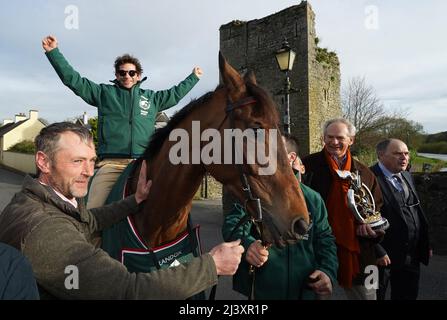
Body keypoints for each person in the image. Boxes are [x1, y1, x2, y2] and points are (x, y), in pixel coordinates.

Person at [0, 122, 244, 299]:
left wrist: (134, 200)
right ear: (43, 161)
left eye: (92, 160)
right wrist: (212, 265)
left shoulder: (38, 200)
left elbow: (88, 220)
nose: (88, 171)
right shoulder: (46, 230)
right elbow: (128, 290)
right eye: (77, 161)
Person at [41, 35, 203, 209]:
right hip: (112, 164)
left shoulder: (152, 99)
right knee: (94, 210)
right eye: (122, 72)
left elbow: (175, 94)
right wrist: (53, 53)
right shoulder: (104, 93)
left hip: (144, 164)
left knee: (170, 206)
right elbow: (73, 80)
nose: (127, 76)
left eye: (132, 73)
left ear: (139, 76)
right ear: (116, 75)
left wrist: (193, 77)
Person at [221, 133, 338, 300]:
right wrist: (248, 245)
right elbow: (231, 226)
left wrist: (328, 271)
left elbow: (325, 239)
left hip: (305, 290)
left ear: (290, 158)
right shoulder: (250, 193)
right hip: (259, 290)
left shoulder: (312, 198)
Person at [302, 118, 384, 300]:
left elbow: (376, 208)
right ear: (323, 138)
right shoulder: (306, 166)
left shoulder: (366, 173)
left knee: (369, 297)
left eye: (339, 137)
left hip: (360, 249)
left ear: (351, 140)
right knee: (314, 296)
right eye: (329, 137)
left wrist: (371, 228)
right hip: (316, 247)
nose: (334, 142)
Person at [370, 138, 431, 300]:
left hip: (411, 255)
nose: (404, 157)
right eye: (397, 153)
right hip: (381, 257)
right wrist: (378, 251)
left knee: (407, 295)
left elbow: (416, 211)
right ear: (381, 155)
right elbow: (363, 219)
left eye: (406, 153)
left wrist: (424, 243)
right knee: (374, 296)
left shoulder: (406, 175)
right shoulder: (368, 178)